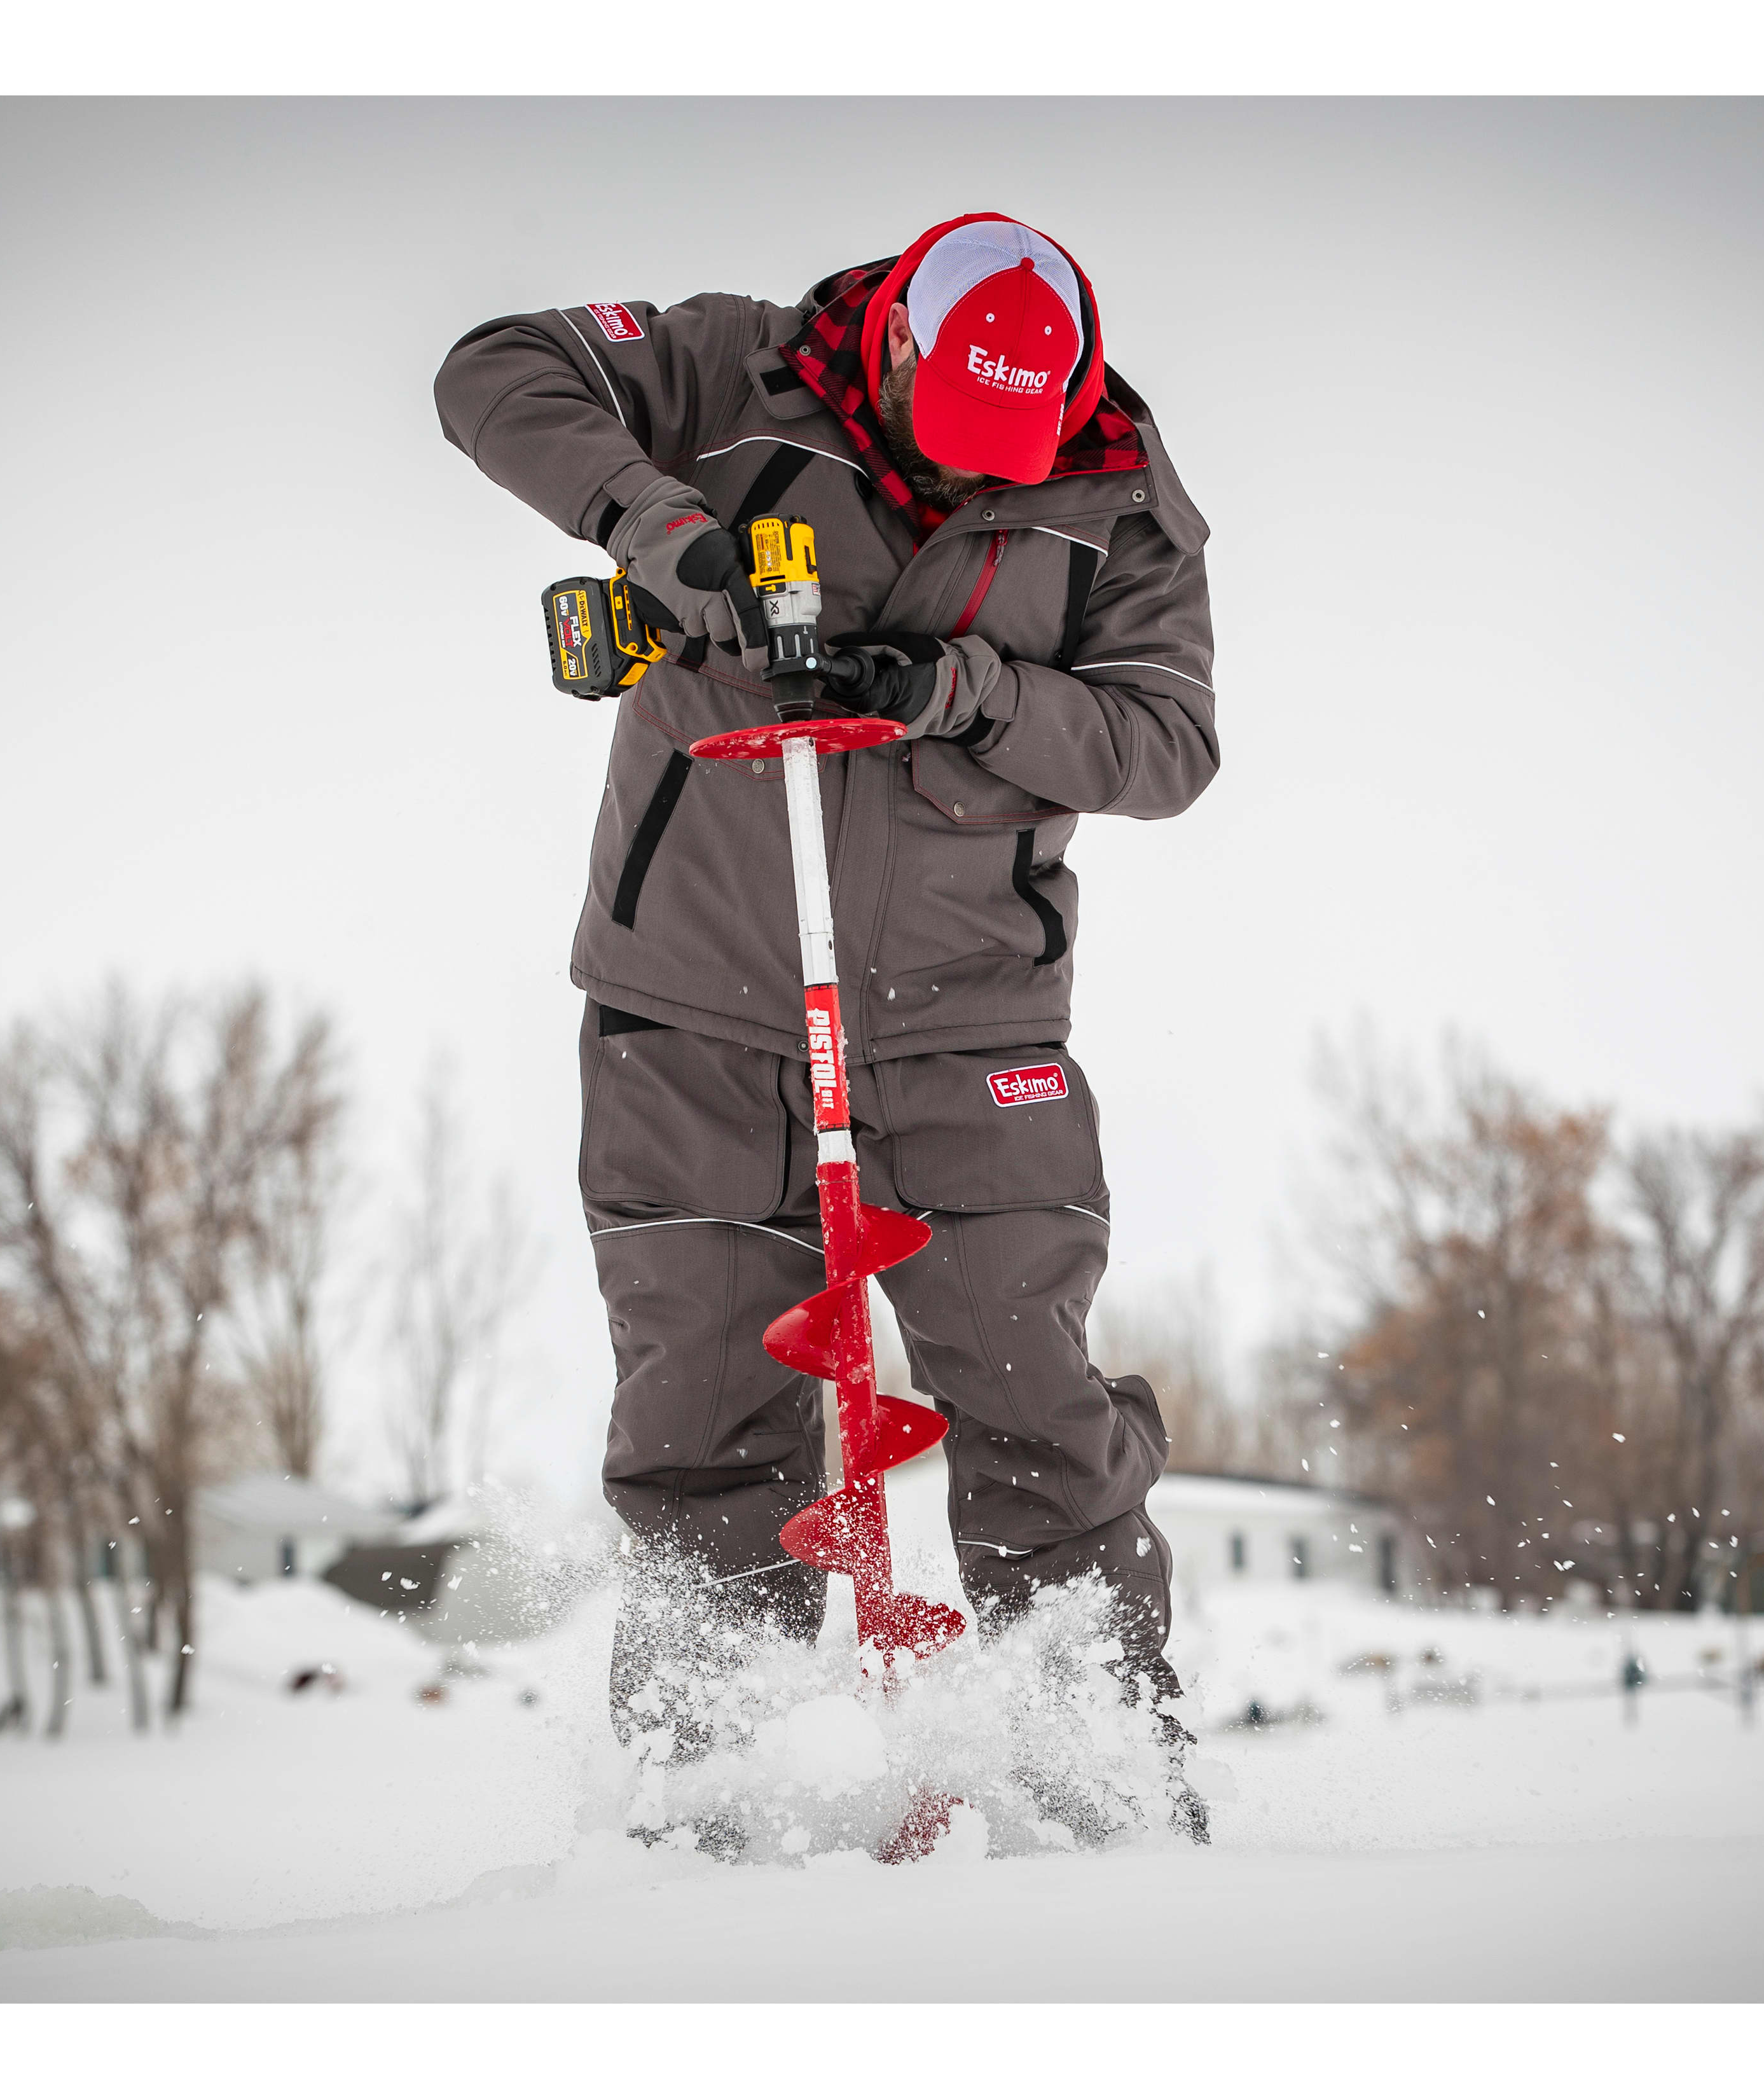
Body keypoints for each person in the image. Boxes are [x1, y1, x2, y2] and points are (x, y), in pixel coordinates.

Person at [434, 214, 1218, 1838]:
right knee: (706, 1418)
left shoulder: (1120, 495)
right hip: (692, 1003)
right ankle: (712, 1800)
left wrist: (964, 689)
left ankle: (1104, 1787)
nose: (970, 486)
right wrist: (662, 529)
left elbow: (1166, 741)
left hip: (970, 1019)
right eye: (948, 446)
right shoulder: (730, 368)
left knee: (1033, 1400)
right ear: (901, 350)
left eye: (1013, 457)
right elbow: (490, 369)